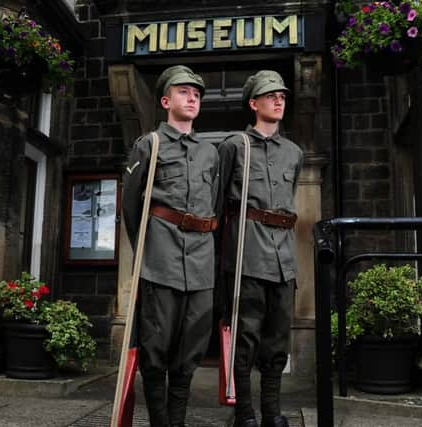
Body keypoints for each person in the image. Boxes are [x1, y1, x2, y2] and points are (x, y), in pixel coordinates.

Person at [122, 65, 219, 427]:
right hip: (160, 258)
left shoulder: (210, 153)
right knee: (156, 345)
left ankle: (176, 422)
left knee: (191, 347)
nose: (192, 97)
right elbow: (131, 206)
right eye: (183, 91)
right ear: (165, 100)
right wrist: (148, 251)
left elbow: (216, 203)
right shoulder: (149, 144)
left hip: (201, 261)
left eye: (196, 93)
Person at [217, 70, 303, 427]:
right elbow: (219, 202)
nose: (279, 100)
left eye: (282, 95)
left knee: (277, 339)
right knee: (245, 337)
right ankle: (244, 413)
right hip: (246, 255)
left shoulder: (294, 152)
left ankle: (272, 412)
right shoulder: (235, 146)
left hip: (284, 257)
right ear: (254, 103)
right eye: (270, 95)